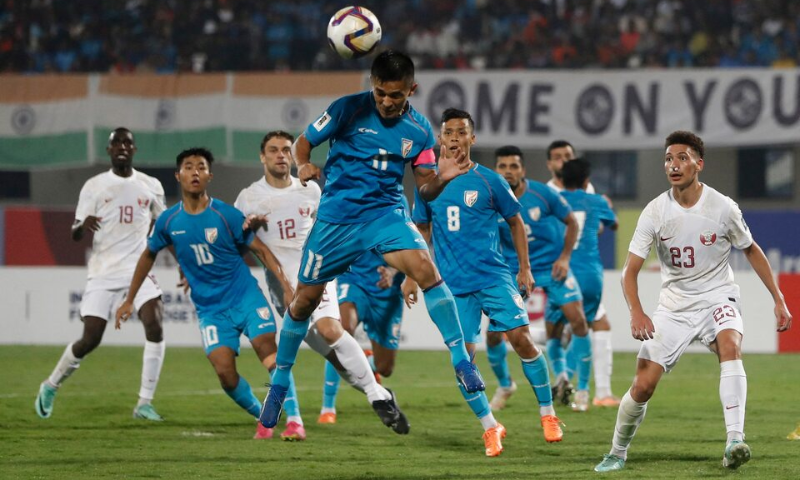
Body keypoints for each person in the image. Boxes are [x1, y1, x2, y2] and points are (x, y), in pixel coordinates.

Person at [260, 50, 483, 433]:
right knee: (303, 302)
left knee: (426, 269)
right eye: (380, 92)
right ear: (372, 85)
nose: (386, 101)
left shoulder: (420, 131)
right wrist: (304, 164)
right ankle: (279, 383)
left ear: (411, 89)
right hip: (336, 219)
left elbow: (425, 190)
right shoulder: (346, 109)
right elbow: (303, 141)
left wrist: (443, 178)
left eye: (395, 95)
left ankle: (461, 360)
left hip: (385, 216)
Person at [594, 131, 793, 472]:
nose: (674, 165)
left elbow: (751, 250)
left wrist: (779, 298)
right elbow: (630, 271)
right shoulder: (655, 212)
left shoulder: (722, 207)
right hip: (674, 306)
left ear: (699, 164)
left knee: (730, 346)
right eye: (669, 159)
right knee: (643, 385)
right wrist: (637, 312)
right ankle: (616, 452)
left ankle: (734, 440)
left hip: (718, 296)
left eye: (682, 158)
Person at [115, 147, 296, 440]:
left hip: (244, 297)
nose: (195, 172)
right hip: (211, 310)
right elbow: (147, 255)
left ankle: (291, 420)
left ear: (210, 176)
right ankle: (262, 415)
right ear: (178, 175)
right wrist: (129, 298)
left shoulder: (226, 215)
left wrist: (287, 287)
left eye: (201, 167)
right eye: (188, 166)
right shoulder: (169, 221)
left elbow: (260, 250)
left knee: (267, 349)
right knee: (225, 374)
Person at [412, 109, 563, 457]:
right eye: (448, 132)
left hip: (494, 276)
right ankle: (490, 427)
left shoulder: (489, 180)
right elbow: (420, 230)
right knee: (462, 359)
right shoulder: (427, 187)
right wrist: (412, 274)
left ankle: (549, 414)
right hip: (451, 288)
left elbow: (515, 222)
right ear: (440, 139)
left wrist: (524, 268)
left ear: (472, 139)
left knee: (522, 339)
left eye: (461, 132)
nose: (454, 138)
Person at [235, 131, 405, 436]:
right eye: (272, 150)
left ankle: (376, 396)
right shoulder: (248, 198)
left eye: (286, 150)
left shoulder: (310, 190)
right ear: (262, 157)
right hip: (281, 290)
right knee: (335, 358)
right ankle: (380, 393)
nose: (280, 155)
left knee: (330, 329)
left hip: (316, 274)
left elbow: (329, 228)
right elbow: (236, 243)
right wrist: (247, 230)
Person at [35, 128, 167, 421]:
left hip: (138, 269)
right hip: (104, 271)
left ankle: (144, 403)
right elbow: (74, 232)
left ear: (134, 149)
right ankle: (50, 384)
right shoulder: (94, 186)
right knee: (91, 338)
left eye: (127, 142)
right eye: (116, 142)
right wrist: (84, 225)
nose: (122, 146)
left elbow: (164, 223)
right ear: (108, 150)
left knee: (155, 325)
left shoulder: (150, 185)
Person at [492, 145, 590, 409]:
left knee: (579, 320)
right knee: (493, 333)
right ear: (496, 170)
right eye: (503, 166)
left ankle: (582, 390)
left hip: (551, 268)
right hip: (513, 272)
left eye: (514, 166)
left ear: (522, 169)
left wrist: (565, 257)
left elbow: (572, 221)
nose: (509, 171)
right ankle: (504, 384)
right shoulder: (490, 198)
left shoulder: (542, 194)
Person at [319, 197, 411, 425]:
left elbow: (409, 244)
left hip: (387, 289)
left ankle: (367, 363)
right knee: (341, 331)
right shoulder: (351, 192)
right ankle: (328, 407)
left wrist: (392, 271)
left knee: (385, 368)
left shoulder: (398, 200)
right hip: (354, 279)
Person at [546, 139, 620, 408]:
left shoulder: (550, 199)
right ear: (587, 178)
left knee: (553, 332)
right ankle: (584, 393)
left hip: (558, 272)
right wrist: (603, 210)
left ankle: (563, 374)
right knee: (583, 329)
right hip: (589, 272)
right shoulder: (596, 200)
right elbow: (613, 224)